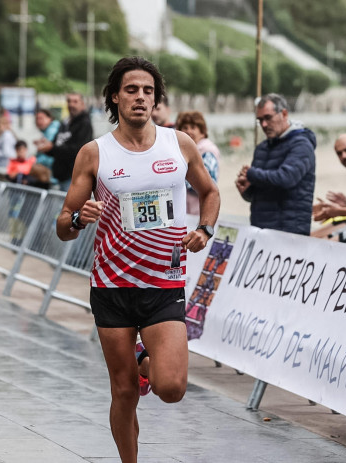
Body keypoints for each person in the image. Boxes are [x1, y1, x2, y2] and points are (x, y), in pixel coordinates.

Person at [55, 56, 220, 463]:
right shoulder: (95, 154)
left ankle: (146, 361)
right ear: (115, 97)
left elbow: (211, 193)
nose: (141, 98)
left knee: (171, 387)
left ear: (157, 99)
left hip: (164, 284)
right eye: (131, 90)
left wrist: (204, 230)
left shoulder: (178, 144)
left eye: (148, 91)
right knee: (124, 391)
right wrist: (79, 217)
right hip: (112, 287)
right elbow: (62, 224)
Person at [235, 93, 316, 234]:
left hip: (290, 233)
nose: (264, 125)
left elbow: (286, 178)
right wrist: (247, 190)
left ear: (284, 114)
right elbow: (261, 191)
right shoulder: (261, 148)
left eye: (268, 118)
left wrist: (251, 173)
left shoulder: (301, 145)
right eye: (260, 120)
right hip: (261, 231)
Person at [35, 92, 93, 191]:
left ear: (82, 104)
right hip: (60, 176)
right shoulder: (65, 122)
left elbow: (79, 150)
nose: (71, 104)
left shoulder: (84, 123)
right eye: (69, 101)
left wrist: (52, 148)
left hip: (73, 177)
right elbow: (56, 144)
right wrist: (47, 148)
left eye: (75, 101)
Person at [176, 110, 220, 216]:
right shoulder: (181, 150)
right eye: (185, 128)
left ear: (202, 132)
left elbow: (210, 183)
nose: (188, 131)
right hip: (185, 212)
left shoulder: (207, 151)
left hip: (200, 212)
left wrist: (177, 179)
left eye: (193, 127)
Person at [34, 108, 60, 187]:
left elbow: (50, 153)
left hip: (53, 177)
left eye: (41, 118)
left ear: (50, 118)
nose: (39, 121)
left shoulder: (51, 131)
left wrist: (33, 162)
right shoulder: (47, 131)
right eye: (37, 119)